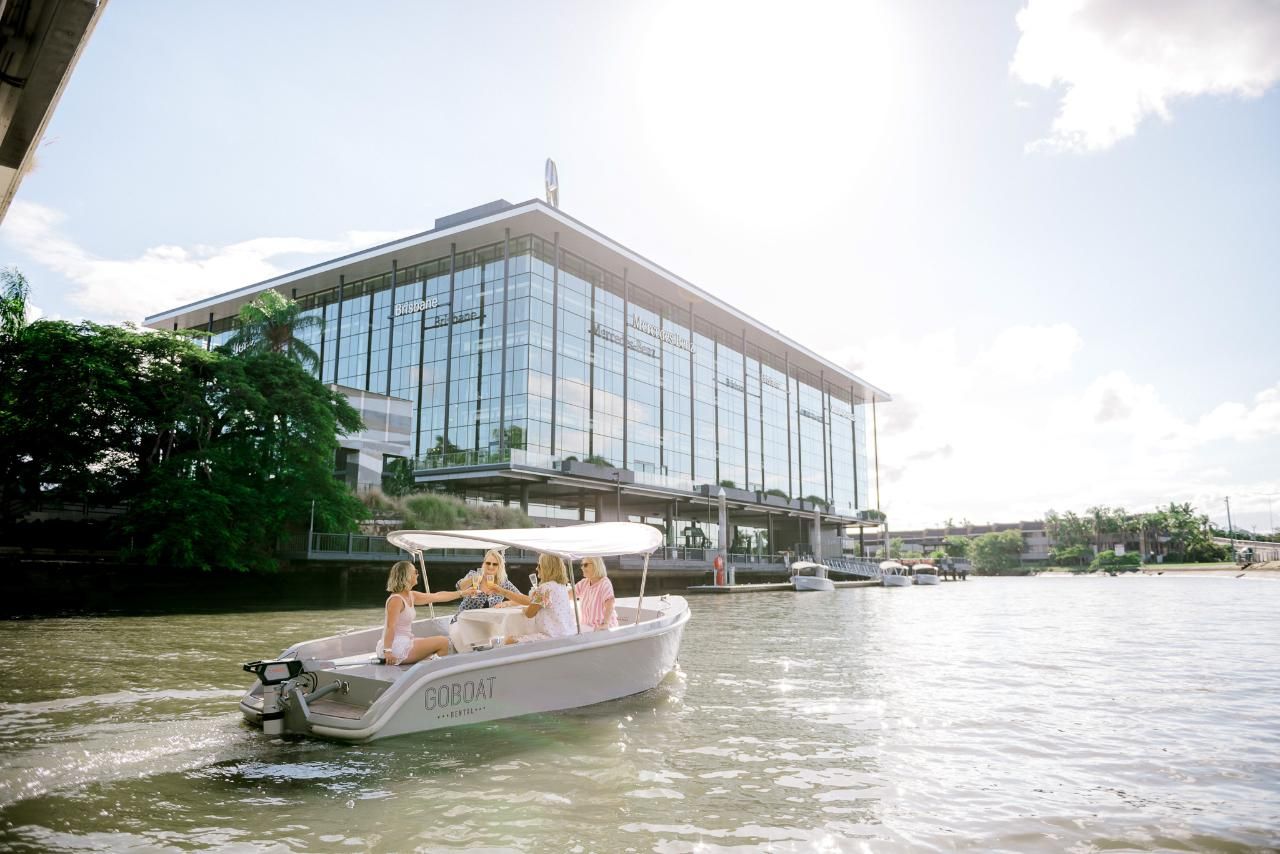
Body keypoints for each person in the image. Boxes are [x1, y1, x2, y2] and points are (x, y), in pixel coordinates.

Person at [379, 560, 464, 665]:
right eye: (415, 572)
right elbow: (390, 627)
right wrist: (388, 651)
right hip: (395, 647)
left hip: (405, 641)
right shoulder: (396, 599)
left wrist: (462, 593)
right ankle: (431, 673)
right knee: (444, 642)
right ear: (407, 576)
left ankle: (430, 672)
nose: (417, 574)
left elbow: (437, 596)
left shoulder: (411, 595)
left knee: (436, 649)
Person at [485, 553, 575, 644]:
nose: (536, 568)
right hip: (566, 634)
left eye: (539, 565)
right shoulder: (561, 586)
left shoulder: (545, 588)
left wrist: (525, 610)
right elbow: (530, 600)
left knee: (509, 641)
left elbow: (529, 614)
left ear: (547, 568)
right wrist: (502, 591)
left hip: (551, 637)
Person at [450, 549, 521, 623]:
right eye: (488, 563)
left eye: (495, 564)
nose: (491, 566)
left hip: (486, 624)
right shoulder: (473, 574)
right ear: (484, 563)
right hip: (463, 621)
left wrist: (506, 603)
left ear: (499, 567)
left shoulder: (503, 582)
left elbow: (520, 598)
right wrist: (474, 578)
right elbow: (460, 587)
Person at [575, 556, 618, 631]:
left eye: (585, 565)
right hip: (588, 627)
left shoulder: (605, 583)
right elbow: (568, 595)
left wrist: (605, 624)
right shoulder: (584, 583)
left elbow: (609, 604)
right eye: (581, 565)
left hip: (601, 628)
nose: (582, 568)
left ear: (596, 565)